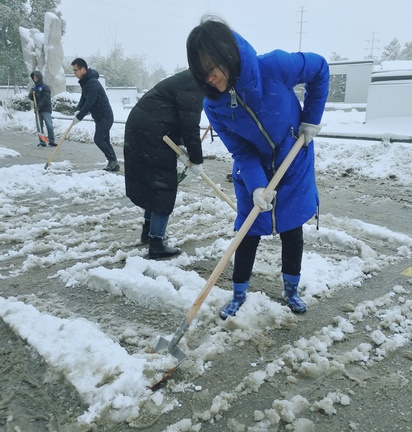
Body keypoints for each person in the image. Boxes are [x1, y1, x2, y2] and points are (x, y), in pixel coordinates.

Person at [186, 17, 330, 318]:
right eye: (203, 76)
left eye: (212, 71)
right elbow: (241, 149)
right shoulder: (214, 106)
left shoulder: (274, 67)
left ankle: (291, 290)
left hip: (294, 161)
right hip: (253, 171)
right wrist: (256, 186)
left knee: (292, 229)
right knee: (247, 232)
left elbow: (320, 68)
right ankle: (238, 293)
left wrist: (311, 119)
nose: (210, 81)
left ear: (227, 55)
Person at [124, 70, 204, 259]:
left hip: (144, 130)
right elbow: (190, 124)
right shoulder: (196, 84)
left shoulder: (189, 79)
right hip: (152, 134)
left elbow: (177, 116)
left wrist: (182, 146)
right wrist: (197, 159)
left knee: (153, 184)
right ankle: (157, 243)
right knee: (163, 185)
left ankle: (148, 231)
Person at [71, 58, 120, 172]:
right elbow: (83, 99)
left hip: (105, 116)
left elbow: (90, 102)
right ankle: (113, 163)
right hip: (99, 116)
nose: (74, 73)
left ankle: (113, 160)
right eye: (73, 71)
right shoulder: (86, 82)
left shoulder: (92, 82)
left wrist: (79, 116)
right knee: (105, 140)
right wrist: (77, 111)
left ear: (83, 69)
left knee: (99, 139)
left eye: (75, 70)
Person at [28, 71, 57, 147]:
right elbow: (31, 97)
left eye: (36, 77)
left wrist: (39, 106)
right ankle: (42, 141)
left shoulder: (45, 87)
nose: (35, 79)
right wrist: (32, 93)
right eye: (34, 77)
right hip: (38, 110)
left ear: (39, 77)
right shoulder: (34, 88)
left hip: (45, 109)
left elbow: (45, 98)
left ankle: (51, 141)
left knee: (49, 125)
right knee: (39, 126)